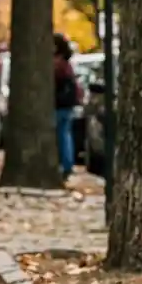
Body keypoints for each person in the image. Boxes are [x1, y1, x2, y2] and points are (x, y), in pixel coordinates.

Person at [54, 32, 79, 182]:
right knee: (65, 134)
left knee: (61, 135)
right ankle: (67, 164)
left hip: (59, 104)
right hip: (67, 104)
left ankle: (65, 164)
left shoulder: (57, 64)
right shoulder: (67, 63)